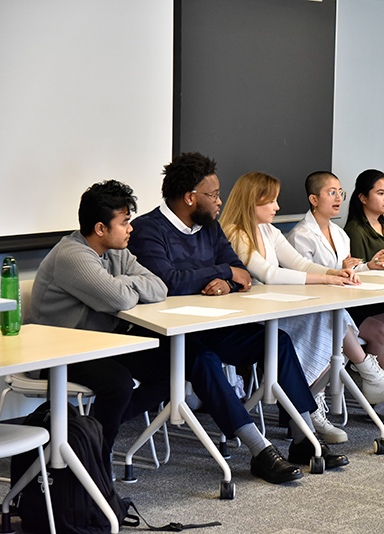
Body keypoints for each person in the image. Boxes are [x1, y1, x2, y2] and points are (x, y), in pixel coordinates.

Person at [128, 152, 346, 483]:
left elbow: (241, 273)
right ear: (190, 198)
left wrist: (228, 278)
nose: (219, 201)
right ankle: (260, 451)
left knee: (277, 342)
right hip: (165, 336)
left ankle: (303, 438)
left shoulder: (209, 227)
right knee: (204, 360)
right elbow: (166, 281)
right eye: (212, 194)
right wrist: (220, 271)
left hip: (210, 326)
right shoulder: (147, 229)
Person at [218, 171, 384, 438]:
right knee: (328, 318)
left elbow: (299, 264)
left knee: (330, 316)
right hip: (252, 315)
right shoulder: (235, 232)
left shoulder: (268, 229)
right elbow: (269, 274)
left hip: (274, 307)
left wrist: (331, 274)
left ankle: (320, 401)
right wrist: (327, 277)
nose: (278, 207)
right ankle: (360, 379)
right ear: (250, 202)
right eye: (271, 202)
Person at [29, 180, 171, 470]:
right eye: (124, 222)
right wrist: (124, 288)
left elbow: (159, 287)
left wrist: (121, 283)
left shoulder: (116, 250)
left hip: (101, 343)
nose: (131, 228)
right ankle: (98, 456)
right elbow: (119, 298)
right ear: (100, 229)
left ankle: (90, 432)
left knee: (171, 366)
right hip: (58, 351)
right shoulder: (72, 255)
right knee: (117, 383)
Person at [285, 171, 384, 426]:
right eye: (331, 193)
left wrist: (368, 266)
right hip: (317, 309)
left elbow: (348, 270)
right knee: (379, 330)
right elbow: (303, 277)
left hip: (344, 302)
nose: (338, 198)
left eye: (340, 193)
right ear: (314, 199)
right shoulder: (301, 235)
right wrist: (341, 272)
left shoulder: (339, 234)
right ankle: (373, 385)